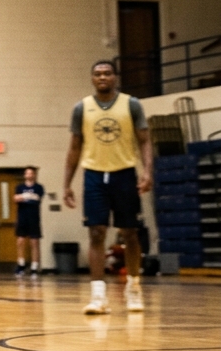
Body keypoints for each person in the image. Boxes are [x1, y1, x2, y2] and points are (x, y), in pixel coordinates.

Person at [63, 60, 152, 314]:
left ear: (115, 77)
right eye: (98, 74)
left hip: (124, 173)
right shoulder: (82, 108)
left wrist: (147, 172)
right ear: (92, 78)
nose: (102, 77)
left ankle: (133, 287)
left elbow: (145, 141)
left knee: (130, 233)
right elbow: (74, 147)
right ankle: (98, 296)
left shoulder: (131, 104)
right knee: (96, 232)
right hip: (93, 174)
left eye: (107, 73)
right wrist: (67, 183)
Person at [14, 166, 45, 276]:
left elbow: (37, 198)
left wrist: (26, 197)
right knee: (20, 241)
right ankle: (21, 264)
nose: (29, 175)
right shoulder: (20, 187)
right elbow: (16, 198)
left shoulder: (39, 187)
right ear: (25, 175)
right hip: (22, 217)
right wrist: (26, 196)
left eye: (31, 173)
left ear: (34, 175)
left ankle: (34, 267)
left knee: (34, 243)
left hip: (34, 218)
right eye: (27, 173)